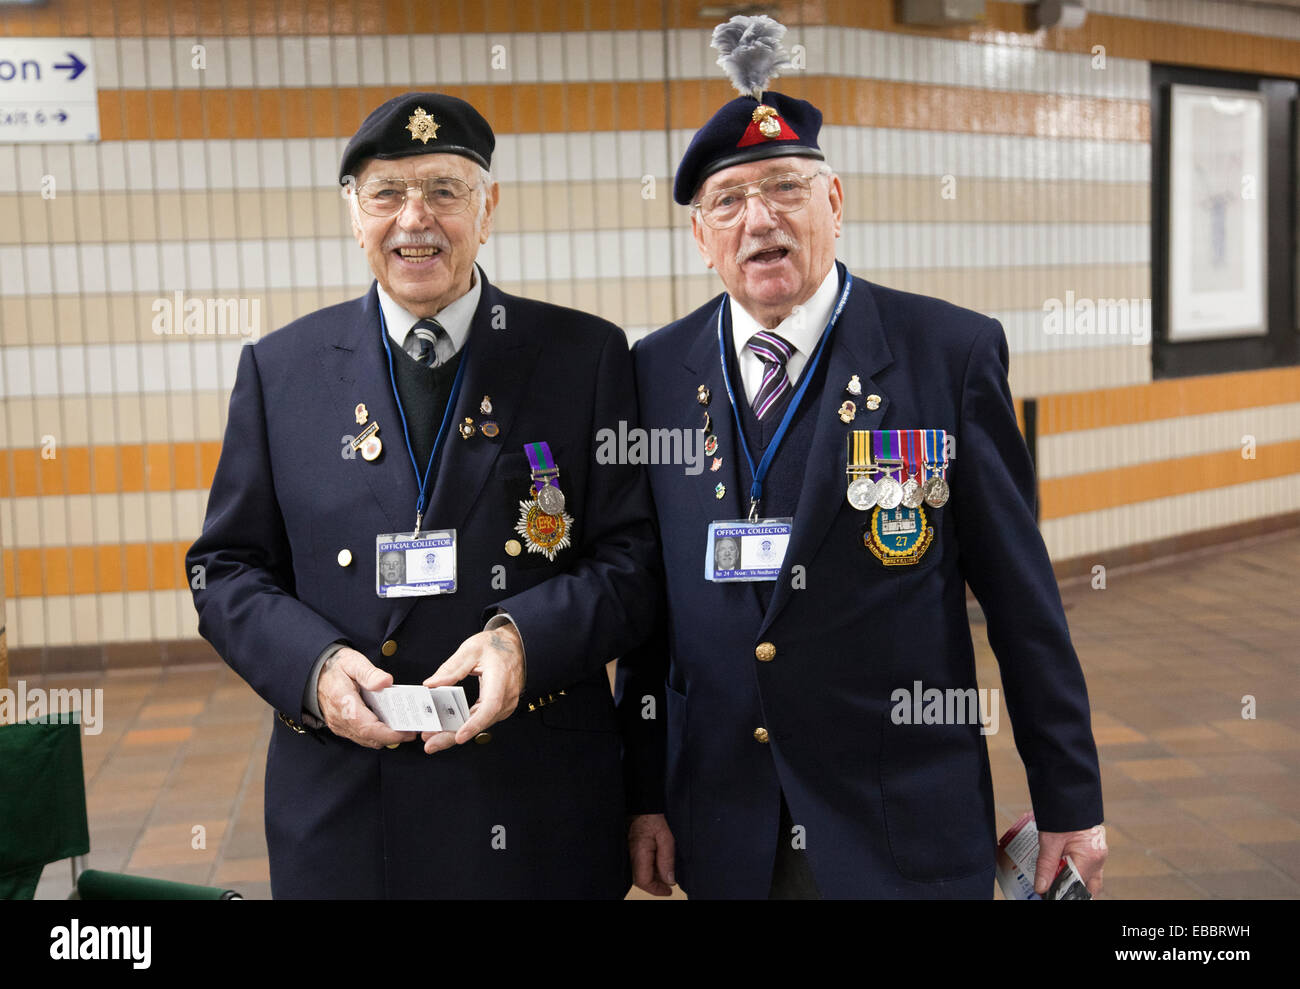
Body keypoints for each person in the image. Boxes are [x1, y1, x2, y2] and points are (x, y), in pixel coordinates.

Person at [616, 16, 1106, 899]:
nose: (759, 219)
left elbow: (1021, 598)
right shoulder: (653, 370)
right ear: (701, 236)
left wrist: (1070, 796)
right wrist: (644, 793)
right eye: (728, 203)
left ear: (834, 201)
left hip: (898, 814)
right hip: (726, 817)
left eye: (784, 189)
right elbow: (652, 621)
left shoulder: (945, 353)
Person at [187, 92, 657, 898]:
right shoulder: (281, 370)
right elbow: (226, 568)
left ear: (488, 204)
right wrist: (316, 667)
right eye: (387, 194)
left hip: (532, 792)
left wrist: (521, 640)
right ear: (353, 211)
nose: (416, 220)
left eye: (444, 190)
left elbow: (636, 560)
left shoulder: (584, 356)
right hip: (348, 801)